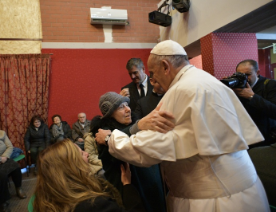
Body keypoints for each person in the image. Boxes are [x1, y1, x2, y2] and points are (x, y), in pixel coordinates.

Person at [96, 40, 270, 212]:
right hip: (240, 188)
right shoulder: (206, 79)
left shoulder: (182, 90)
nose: (153, 79)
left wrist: (112, 138)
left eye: (153, 73)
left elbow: (154, 146)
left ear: (165, 66)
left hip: (212, 200)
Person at [91, 92, 166, 212]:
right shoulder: (102, 136)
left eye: (127, 104)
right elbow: (122, 145)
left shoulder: (136, 127)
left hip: (153, 190)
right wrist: (136, 127)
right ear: (110, 114)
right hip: (131, 196)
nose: (128, 109)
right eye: (121, 107)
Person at [31, 140, 145, 212]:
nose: (87, 154)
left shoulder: (45, 199)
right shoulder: (94, 205)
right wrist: (128, 186)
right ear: (72, 166)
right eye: (81, 153)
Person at [234, 59, 276, 148]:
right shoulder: (237, 87)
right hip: (244, 138)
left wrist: (252, 97)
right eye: (240, 75)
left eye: (248, 74)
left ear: (257, 72)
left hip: (265, 140)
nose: (244, 78)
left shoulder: (271, 85)